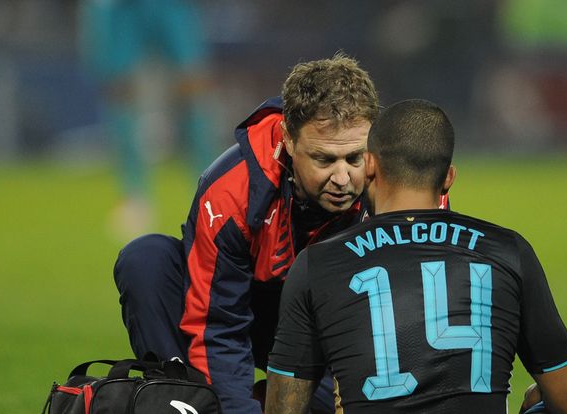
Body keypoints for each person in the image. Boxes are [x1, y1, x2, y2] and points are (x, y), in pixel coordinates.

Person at [115, 55, 446, 414]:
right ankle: (187, 401)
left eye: (354, 158)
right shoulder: (231, 190)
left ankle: (274, 399)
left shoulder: (405, 182)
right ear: (288, 140)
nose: (342, 178)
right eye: (323, 160)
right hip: (252, 306)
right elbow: (218, 328)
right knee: (146, 262)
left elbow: (424, 315)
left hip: (340, 326)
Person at [266, 99, 567, 414]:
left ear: (369, 166)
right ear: (448, 179)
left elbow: (283, 408)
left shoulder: (318, 263)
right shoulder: (508, 251)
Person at [79, 0, 217, 238]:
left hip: (171, 6)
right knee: (121, 91)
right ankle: (134, 197)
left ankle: (213, 191)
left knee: (192, 88)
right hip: (120, 8)